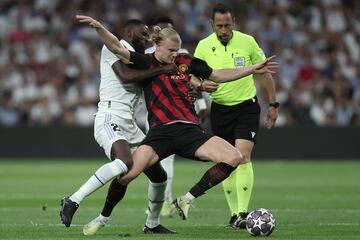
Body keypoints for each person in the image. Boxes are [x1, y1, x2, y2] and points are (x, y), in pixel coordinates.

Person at [63, 15, 277, 228]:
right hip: (159, 134)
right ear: (157, 46)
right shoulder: (145, 63)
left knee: (235, 157)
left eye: (178, 50)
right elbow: (117, 49)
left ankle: (185, 201)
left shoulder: (186, 63)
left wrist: (251, 69)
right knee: (127, 175)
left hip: (190, 131)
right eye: (171, 51)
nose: (176, 55)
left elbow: (218, 75)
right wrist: (100, 27)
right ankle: (102, 217)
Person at [59, 19, 178, 235]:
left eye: (147, 34)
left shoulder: (142, 60)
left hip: (130, 124)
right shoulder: (114, 49)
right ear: (129, 32)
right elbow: (125, 76)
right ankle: (73, 199)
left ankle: (152, 224)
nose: (146, 37)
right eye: (142, 34)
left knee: (158, 175)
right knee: (124, 162)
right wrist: (161, 71)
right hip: (109, 116)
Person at [194, 3, 279, 228]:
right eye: (219, 26)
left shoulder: (248, 42)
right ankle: (234, 215)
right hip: (220, 109)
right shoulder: (203, 47)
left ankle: (243, 212)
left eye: (227, 25)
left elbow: (264, 73)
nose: (223, 30)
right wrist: (202, 85)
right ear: (211, 24)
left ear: (234, 23)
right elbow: (192, 79)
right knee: (226, 159)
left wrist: (273, 103)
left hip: (246, 107)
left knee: (243, 156)